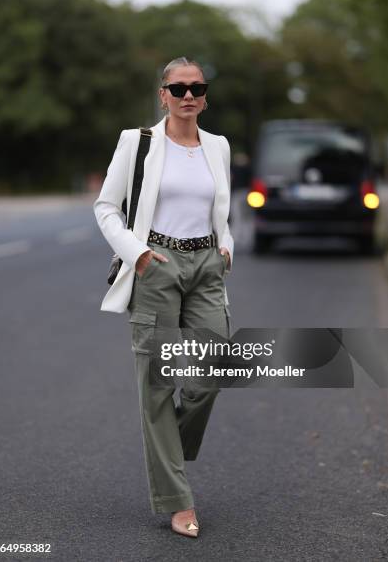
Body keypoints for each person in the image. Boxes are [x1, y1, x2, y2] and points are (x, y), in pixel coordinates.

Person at [93, 56, 234, 538]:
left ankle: (165, 445)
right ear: (163, 95)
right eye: (178, 88)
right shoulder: (139, 143)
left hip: (207, 268)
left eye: (196, 87)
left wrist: (226, 245)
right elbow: (107, 208)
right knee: (158, 387)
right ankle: (178, 501)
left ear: (205, 95)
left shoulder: (218, 146)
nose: (188, 95)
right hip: (157, 265)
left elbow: (220, 211)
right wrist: (137, 254)